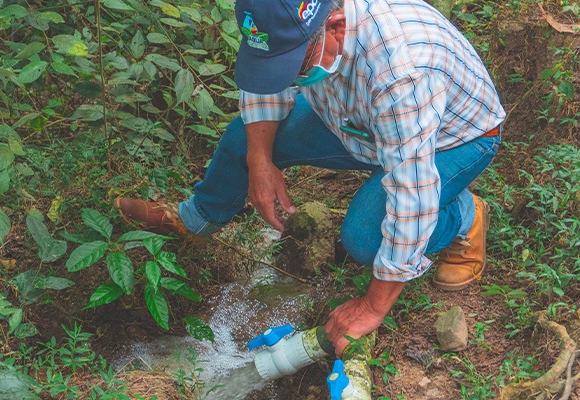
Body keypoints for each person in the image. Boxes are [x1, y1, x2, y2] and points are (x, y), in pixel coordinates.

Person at [115, 0, 505, 355]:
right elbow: (265, 87)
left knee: (365, 239)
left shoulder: (401, 71)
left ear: (336, 27)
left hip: (455, 139)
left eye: (295, 68)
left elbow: (411, 193)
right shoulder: (284, 22)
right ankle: (195, 219)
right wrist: (261, 161)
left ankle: (464, 217)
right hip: (359, 126)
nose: (287, 77)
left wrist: (371, 307)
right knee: (244, 138)